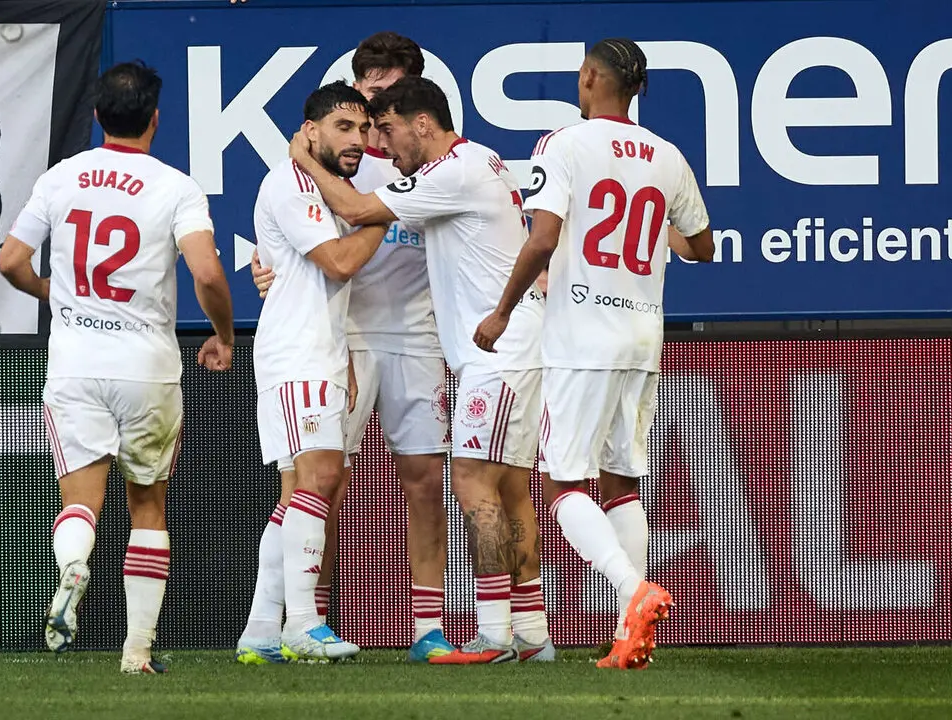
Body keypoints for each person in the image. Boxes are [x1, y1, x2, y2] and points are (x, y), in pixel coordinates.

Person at [288, 76, 550, 664]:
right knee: (508, 487)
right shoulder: (481, 161)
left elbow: (355, 207)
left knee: (471, 483)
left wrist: (304, 157)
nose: (384, 145)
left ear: (421, 123)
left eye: (388, 130)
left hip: (497, 355)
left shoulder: (451, 170)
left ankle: (494, 632)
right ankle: (531, 633)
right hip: (512, 349)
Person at [474, 38, 715, 670]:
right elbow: (701, 248)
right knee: (621, 484)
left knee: (560, 483)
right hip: (644, 336)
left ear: (589, 77)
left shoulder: (563, 144)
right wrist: (655, 227)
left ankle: (635, 592)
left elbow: (543, 238)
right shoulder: (667, 155)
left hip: (584, 336)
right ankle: (632, 635)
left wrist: (501, 311)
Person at [0, 61, 235, 675]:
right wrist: (223, 334)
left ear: (98, 116)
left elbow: (10, 262)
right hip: (148, 366)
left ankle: (73, 565)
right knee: (147, 505)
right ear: (156, 119)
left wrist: (58, 294)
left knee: (81, 501)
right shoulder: (175, 185)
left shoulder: (61, 177)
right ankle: (136, 653)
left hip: (76, 364)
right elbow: (207, 273)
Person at [247, 31, 459, 663]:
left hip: (416, 331)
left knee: (424, 480)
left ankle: (426, 626)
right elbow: (317, 252)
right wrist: (267, 265)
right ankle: (302, 617)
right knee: (317, 483)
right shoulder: (334, 161)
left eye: (386, 96)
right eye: (364, 96)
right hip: (344, 335)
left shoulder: (439, 160)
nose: (372, 117)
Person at [242, 81, 391, 662]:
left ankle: (259, 631)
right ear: (309, 132)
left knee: (304, 491)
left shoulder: (327, 189)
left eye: (362, 130)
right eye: (343, 128)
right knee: (321, 480)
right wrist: (387, 212)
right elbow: (338, 262)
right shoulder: (291, 181)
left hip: (318, 351)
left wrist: (344, 355)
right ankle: (302, 624)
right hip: (296, 353)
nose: (356, 140)